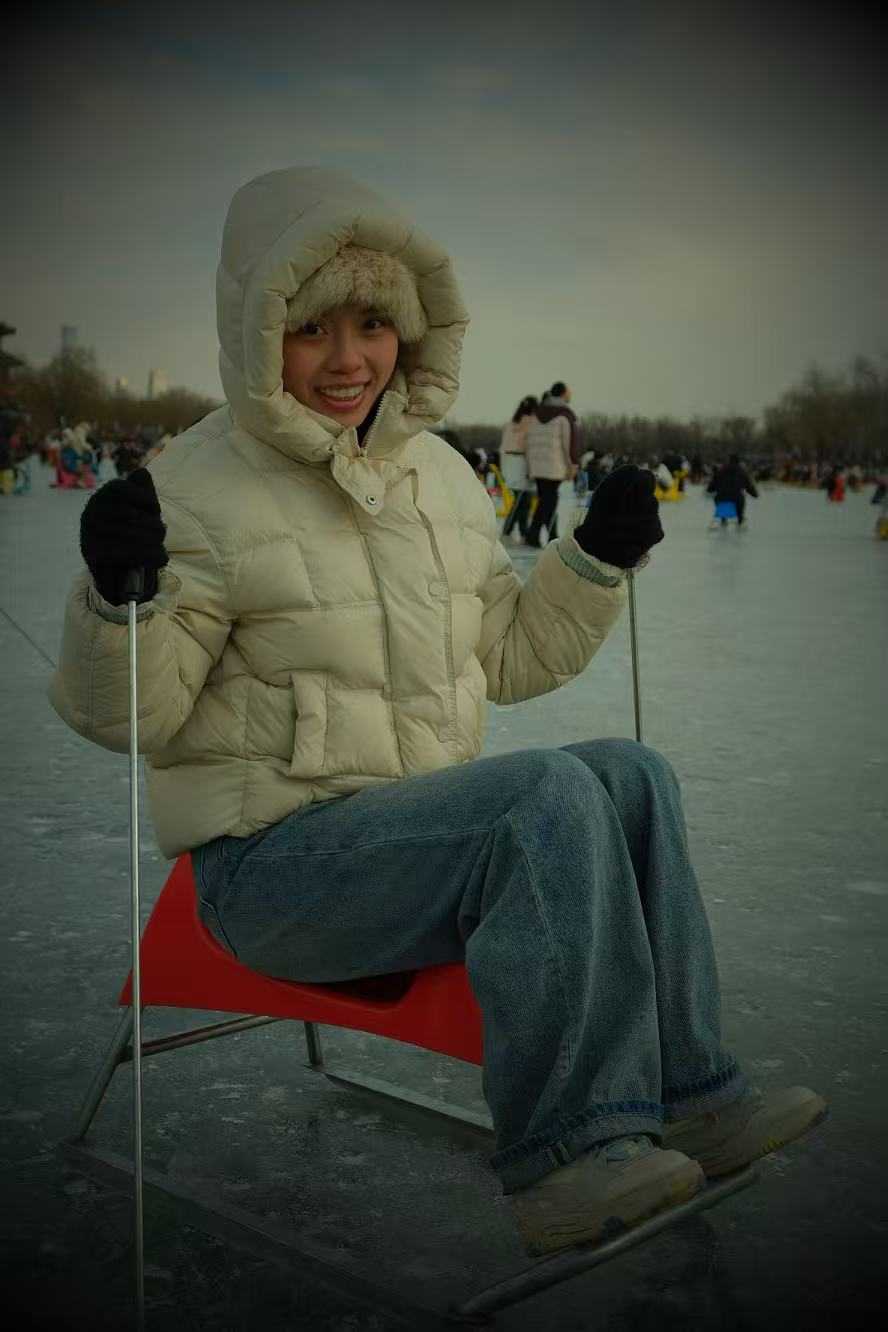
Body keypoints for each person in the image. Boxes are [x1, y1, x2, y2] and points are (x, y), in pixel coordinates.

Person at [49, 167, 826, 1260]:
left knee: (631, 774)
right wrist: (115, 602)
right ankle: (572, 1155)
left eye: (372, 325)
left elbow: (505, 655)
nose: (348, 359)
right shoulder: (193, 487)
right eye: (311, 327)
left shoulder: (443, 479)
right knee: (540, 796)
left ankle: (691, 1091)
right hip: (272, 871)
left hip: (413, 840)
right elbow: (133, 714)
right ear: (257, 330)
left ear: (411, 332)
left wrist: (594, 561)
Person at [524, 381, 581, 547]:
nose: (570, 395)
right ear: (563, 393)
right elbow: (569, 443)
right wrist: (573, 465)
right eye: (569, 392)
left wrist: (530, 465)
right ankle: (548, 536)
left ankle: (536, 534)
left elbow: (529, 441)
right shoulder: (565, 415)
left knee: (545, 500)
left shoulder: (536, 414)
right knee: (549, 500)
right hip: (555, 465)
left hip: (537, 465)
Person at [499, 395, 537, 541]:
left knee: (520, 498)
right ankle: (518, 529)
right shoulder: (532, 422)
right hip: (522, 461)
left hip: (509, 461)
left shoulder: (511, 423)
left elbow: (503, 446)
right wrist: (531, 469)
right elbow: (530, 446)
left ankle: (514, 528)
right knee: (524, 499)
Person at [707, 453, 759, 528]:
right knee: (740, 499)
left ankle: (723, 518)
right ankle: (740, 519)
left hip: (721, 498)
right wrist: (755, 494)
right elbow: (748, 486)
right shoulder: (742, 472)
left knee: (721, 498)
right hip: (736, 498)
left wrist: (710, 490)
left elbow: (712, 486)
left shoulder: (721, 471)